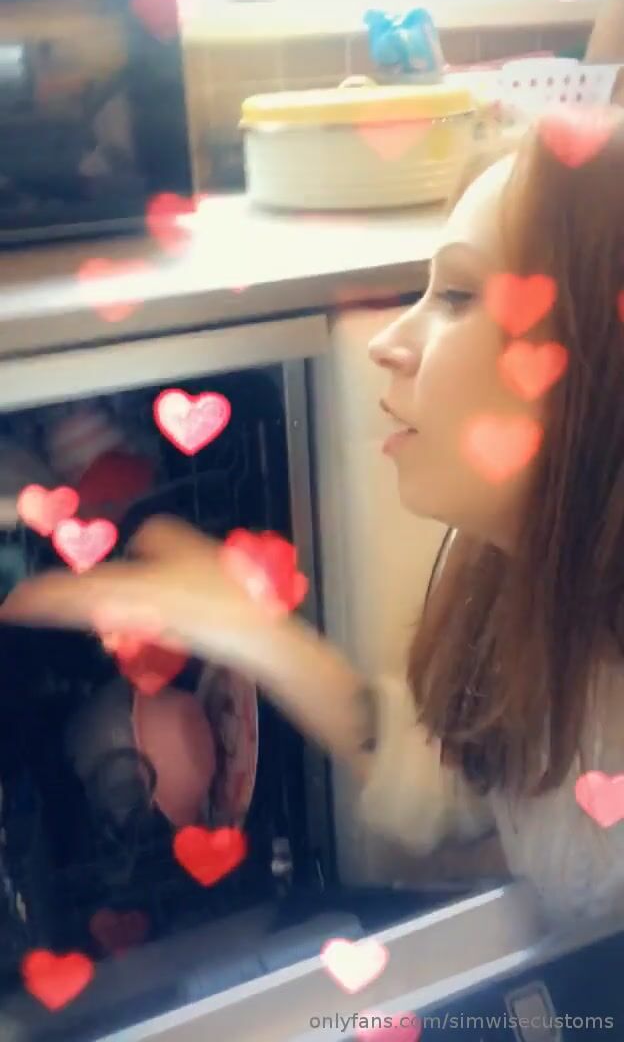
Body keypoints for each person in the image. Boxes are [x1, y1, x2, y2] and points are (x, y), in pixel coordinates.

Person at [2, 111, 624, 937]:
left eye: (457, 295)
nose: (388, 341)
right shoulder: (509, 584)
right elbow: (472, 789)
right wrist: (259, 637)